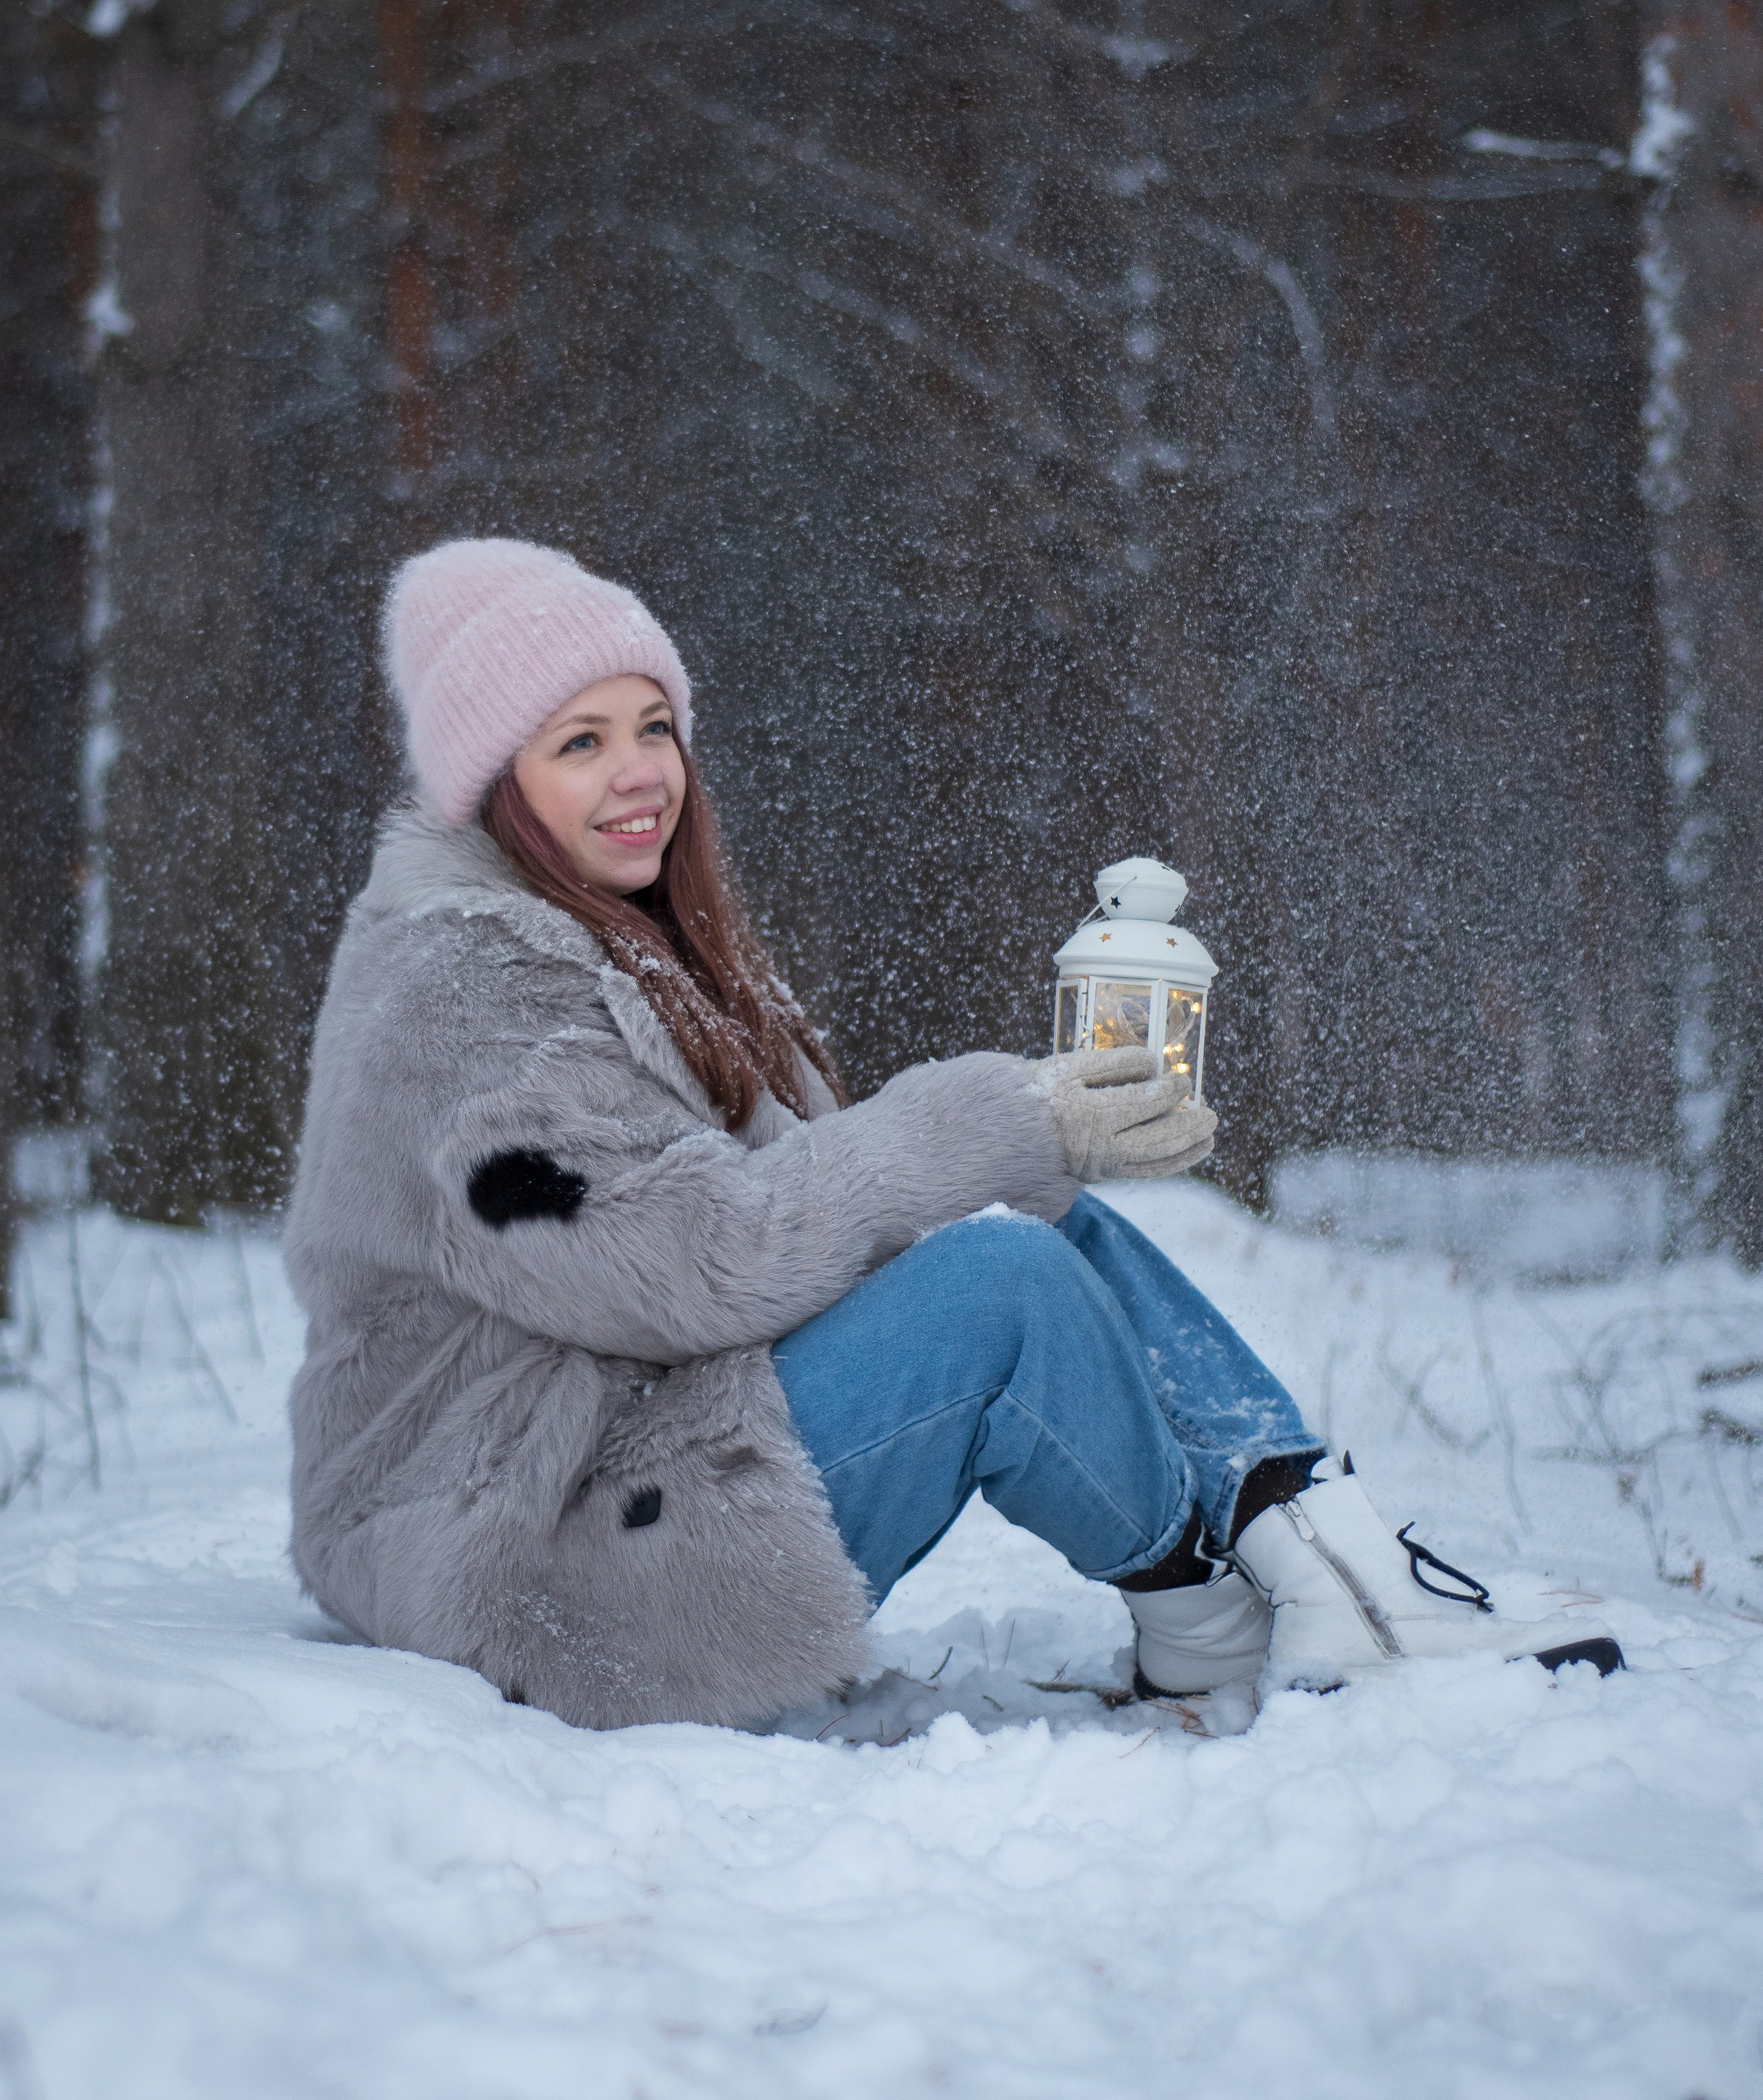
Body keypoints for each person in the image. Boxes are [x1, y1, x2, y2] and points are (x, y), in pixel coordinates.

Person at [284, 538, 1620, 1732]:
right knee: (998, 1282)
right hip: (541, 1567)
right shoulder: (458, 987)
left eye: (652, 726)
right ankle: (1223, 1601)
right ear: (495, 785)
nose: (638, 773)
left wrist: (1022, 1142)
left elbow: (819, 1215)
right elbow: (685, 1263)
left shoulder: (631, 943)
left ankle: (1303, 1549)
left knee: (1036, 1218)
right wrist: (995, 1114)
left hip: (641, 1459)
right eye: (577, 742)